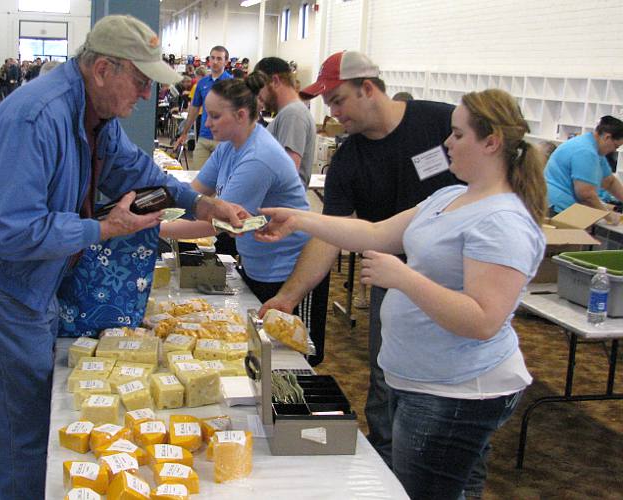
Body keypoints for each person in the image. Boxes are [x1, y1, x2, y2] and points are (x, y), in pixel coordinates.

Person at [0, 15, 247, 499]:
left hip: (34, 277)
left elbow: (132, 169)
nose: (148, 95)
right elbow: (8, 230)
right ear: (103, 68)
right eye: (141, 80)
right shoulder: (36, 119)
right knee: (18, 428)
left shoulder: (93, 114)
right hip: (2, 286)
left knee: (24, 419)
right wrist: (102, 228)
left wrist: (200, 203)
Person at [257, 88, 546, 500]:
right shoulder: (451, 196)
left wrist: (404, 277)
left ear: (491, 142)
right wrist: (301, 220)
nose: (447, 143)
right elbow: (375, 231)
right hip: (424, 380)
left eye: (458, 135)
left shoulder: (503, 221)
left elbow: (483, 320)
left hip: (455, 389)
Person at [258, 50, 459, 472]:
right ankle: (388, 473)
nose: (332, 112)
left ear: (369, 89)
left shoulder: (444, 125)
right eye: (327, 103)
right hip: (393, 283)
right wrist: (289, 297)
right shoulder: (348, 161)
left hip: (461, 282)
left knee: (455, 398)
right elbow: (333, 234)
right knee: (387, 386)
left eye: (338, 100)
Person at [161, 75, 310, 303]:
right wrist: (160, 212)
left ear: (241, 115)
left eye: (215, 116)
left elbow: (214, 223)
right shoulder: (229, 148)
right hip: (257, 261)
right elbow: (193, 196)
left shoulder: (258, 158)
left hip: (287, 272)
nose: (207, 124)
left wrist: (152, 228)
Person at [544, 115, 623, 223]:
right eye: (615, 146)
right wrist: (608, 215)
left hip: (558, 206)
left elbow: (609, 181)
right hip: (557, 209)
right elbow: (586, 194)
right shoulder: (586, 151)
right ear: (607, 137)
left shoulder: (594, 148)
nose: (613, 150)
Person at [252, 56, 316, 187]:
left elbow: (288, 174)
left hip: (280, 203)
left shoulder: (293, 114)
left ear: (275, 81)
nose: (259, 96)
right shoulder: (289, 113)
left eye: (260, 87)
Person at [174, 45, 233, 169]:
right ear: (209, 60)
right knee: (198, 177)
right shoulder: (202, 83)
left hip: (224, 140)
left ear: (226, 61)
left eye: (219, 59)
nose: (215, 62)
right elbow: (194, 109)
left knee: (221, 181)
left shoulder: (232, 83)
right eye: (213, 58)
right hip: (204, 137)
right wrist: (184, 133)